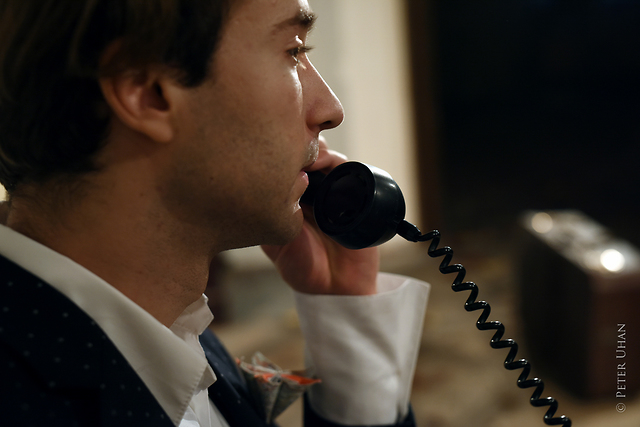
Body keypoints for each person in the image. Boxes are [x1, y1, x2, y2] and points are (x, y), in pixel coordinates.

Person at [0, 0, 431, 426]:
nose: (330, 110)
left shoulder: (169, 320)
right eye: (293, 51)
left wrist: (346, 311)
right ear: (148, 93)